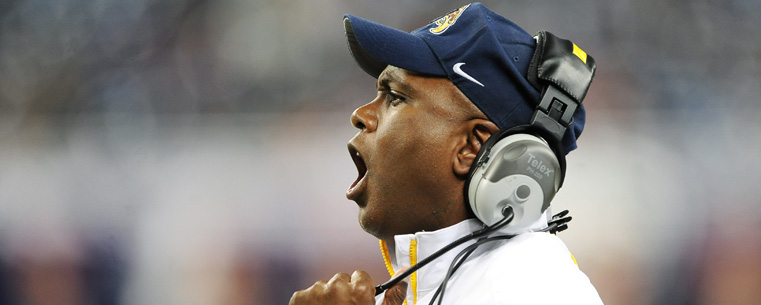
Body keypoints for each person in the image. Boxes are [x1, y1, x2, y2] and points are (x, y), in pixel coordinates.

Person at [290, 3, 603, 305]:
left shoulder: (529, 288)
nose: (361, 115)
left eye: (395, 97)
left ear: (471, 147)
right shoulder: (468, 283)